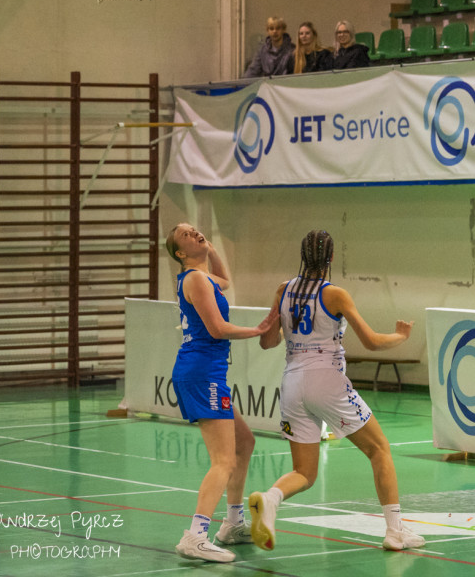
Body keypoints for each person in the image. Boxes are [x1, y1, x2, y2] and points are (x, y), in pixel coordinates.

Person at [248, 229, 426, 554]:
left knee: (304, 471)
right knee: (379, 450)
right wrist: (400, 336)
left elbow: (267, 341)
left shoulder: (282, 290)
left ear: (302, 255)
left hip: (291, 382)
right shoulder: (335, 294)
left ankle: (270, 499)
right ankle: (395, 531)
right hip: (326, 380)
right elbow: (371, 341)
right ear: (330, 258)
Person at [166, 223, 275, 563]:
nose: (194, 233)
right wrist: (258, 329)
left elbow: (225, 281)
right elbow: (217, 328)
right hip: (202, 373)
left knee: (244, 443)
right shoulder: (195, 279)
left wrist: (212, 250)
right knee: (224, 460)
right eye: (186, 235)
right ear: (180, 253)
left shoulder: (201, 277)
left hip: (206, 372)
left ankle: (232, 524)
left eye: (195, 229)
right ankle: (195, 535)